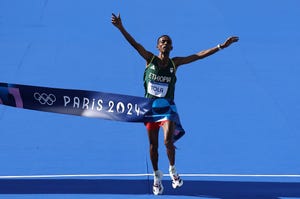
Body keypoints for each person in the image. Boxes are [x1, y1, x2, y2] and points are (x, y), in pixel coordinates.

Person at [111, 13, 239, 195]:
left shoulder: (175, 62)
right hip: (149, 109)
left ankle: (172, 170)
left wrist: (221, 46)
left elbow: (199, 55)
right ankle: (157, 176)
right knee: (153, 146)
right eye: (162, 41)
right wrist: (121, 28)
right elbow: (135, 45)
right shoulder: (150, 59)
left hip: (168, 108)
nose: (165, 43)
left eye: (167, 42)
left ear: (171, 47)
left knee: (167, 141)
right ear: (157, 46)